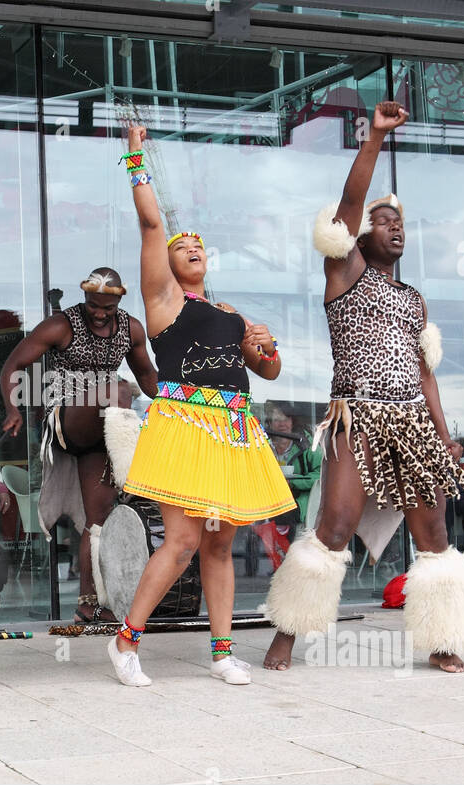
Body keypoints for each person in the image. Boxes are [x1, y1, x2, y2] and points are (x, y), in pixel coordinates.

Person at [263, 100, 464, 674]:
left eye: (400, 222)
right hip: (356, 415)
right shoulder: (345, 274)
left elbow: (426, 376)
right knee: (333, 528)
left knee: (432, 532)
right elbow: (346, 209)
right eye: (383, 221)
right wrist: (374, 140)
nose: (395, 227)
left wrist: (443, 438)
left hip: (412, 422)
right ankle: (287, 632)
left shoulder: (412, 298)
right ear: (361, 235)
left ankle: (442, 640)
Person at [108, 124, 294, 687]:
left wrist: (264, 346)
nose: (190, 247)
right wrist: (136, 154)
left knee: (220, 542)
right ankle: (125, 642)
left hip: (234, 426)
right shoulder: (163, 299)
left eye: (197, 246)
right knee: (184, 540)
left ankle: (220, 651)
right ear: (166, 265)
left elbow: (266, 372)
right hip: (184, 423)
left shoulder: (231, 311)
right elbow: (151, 223)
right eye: (179, 247)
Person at [0, 266, 158, 622]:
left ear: (119, 300)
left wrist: (173, 403)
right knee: (118, 388)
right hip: (66, 419)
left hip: (104, 430)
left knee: (96, 519)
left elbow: (147, 375)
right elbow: (14, 364)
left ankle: (91, 603)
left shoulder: (131, 329)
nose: (100, 314)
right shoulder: (61, 325)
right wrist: (13, 408)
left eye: (107, 307)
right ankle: (131, 473)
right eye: (93, 305)